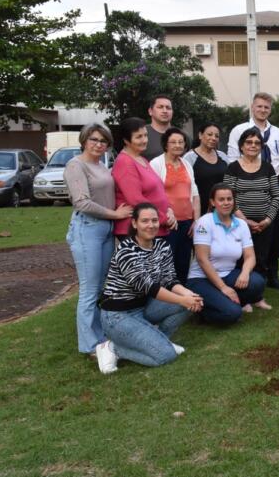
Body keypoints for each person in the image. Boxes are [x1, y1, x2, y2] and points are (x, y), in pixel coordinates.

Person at [96, 203, 203, 374]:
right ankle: (112, 348)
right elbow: (150, 288)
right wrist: (183, 299)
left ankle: (159, 340)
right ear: (134, 223)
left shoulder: (162, 246)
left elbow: (169, 279)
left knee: (190, 303)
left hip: (143, 307)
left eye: (154, 220)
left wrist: (189, 295)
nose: (151, 225)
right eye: (145, 221)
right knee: (166, 356)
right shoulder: (126, 250)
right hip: (118, 315)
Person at [64, 124, 133, 356]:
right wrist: (115, 214)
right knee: (89, 289)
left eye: (103, 141)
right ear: (84, 140)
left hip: (105, 229)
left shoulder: (101, 165)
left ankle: (100, 335)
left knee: (101, 284)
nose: (98, 144)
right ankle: (89, 345)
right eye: (94, 139)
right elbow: (81, 202)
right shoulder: (76, 165)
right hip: (87, 229)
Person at [227, 92, 279, 290]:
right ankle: (247, 275)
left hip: (273, 181)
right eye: (259, 106)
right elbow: (232, 158)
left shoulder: (277, 132)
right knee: (247, 233)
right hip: (246, 182)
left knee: (276, 232)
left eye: (266, 107)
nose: (263, 110)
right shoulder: (239, 130)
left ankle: (272, 273)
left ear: (270, 110)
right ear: (252, 107)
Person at [186, 184, 270, 324]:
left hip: (227, 275)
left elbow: (250, 256)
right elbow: (202, 259)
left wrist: (245, 273)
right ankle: (200, 311)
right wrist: (223, 288)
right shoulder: (204, 222)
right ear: (213, 202)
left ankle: (223, 302)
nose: (226, 203)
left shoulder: (241, 224)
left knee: (257, 282)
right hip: (201, 279)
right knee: (232, 314)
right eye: (221, 199)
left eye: (229, 199)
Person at [224, 127, 279, 285]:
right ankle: (241, 290)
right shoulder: (232, 168)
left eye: (257, 143)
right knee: (240, 259)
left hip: (264, 225)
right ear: (241, 146)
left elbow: (276, 196)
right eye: (249, 142)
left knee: (261, 258)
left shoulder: (268, 168)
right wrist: (244, 221)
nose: (253, 145)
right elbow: (228, 198)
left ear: (261, 147)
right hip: (239, 223)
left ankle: (258, 292)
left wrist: (267, 220)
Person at [150, 128, 201, 283]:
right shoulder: (156, 164)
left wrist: (196, 220)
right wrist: (165, 214)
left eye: (181, 142)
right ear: (166, 144)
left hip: (187, 222)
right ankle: (166, 294)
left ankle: (182, 293)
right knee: (166, 262)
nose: (178, 145)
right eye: (173, 142)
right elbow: (152, 194)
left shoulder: (186, 164)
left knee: (183, 262)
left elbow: (195, 194)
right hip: (167, 223)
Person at [112, 117, 176, 240]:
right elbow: (136, 199)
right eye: (139, 137)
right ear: (126, 140)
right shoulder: (125, 162)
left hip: (154, 226)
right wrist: (163, 219)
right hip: (137, 231)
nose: (144, 140)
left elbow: (158, 190)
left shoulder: (142, 159)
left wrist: (169, 210)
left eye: (145, 135)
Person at [183, 122, 229, 213]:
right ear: (200, 135)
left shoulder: (223, 156)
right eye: (209, 134)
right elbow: (185, 186)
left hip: (221, 208)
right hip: (198, 208)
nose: (213, 138)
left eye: (216, 136)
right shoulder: (189, 157)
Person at [144, 95, 174, 160]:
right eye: (160, 107)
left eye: (168, 108)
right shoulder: (141, 134)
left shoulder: (182, 135)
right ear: (150, 111)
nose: (165, 111)